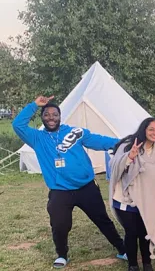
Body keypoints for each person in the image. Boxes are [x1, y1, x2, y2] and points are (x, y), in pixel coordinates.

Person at [12, 96, 126, 269]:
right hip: (60, 191)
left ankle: (122, 248)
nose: (51, 117)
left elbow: (98, 140)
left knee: (102, 219)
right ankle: (62, 254)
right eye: (47, 114)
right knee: (59, 225)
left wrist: (122, 144)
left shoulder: (74, 132)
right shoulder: (37, 138)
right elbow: (17, 125)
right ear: (42, 117)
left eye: (55, 114)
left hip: (86, 187)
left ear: (60, 116)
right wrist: (35, 105)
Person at [109, 118, 155, 271]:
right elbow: (114, 167)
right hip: (125, 198)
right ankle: (133, 265)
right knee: (131, 232)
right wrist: (129, 157)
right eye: (151, 129)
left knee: (145, 231)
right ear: (144, 130)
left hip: (146, 200)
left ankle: (147, 264)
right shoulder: (127, 145)